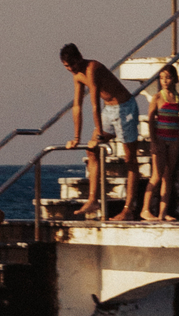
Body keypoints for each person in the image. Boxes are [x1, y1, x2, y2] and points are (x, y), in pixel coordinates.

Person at [59, 45, 140, 220]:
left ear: (80, 57)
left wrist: (100, 136)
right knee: (91, 151)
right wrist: (76, 138)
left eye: (72, 64)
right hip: (109, 111)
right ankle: (93, 199)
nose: (71, 69)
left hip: (124, 108)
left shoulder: (92, 68)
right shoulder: (77, 76)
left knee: (130, 159)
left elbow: (94, 103)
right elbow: (77, 106)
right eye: (67, 66)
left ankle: (128, 209)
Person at [145, 64, 179, 220]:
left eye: (167, 78)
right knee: (156, 176)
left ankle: (162, 213)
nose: (164, 81)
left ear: (174, 79)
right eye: (161, 78)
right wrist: (153, 142)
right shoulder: (157, 98)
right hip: (160, 139)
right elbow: (151, 120)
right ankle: (145, 209)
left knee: (168, 176)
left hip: (173, 139)